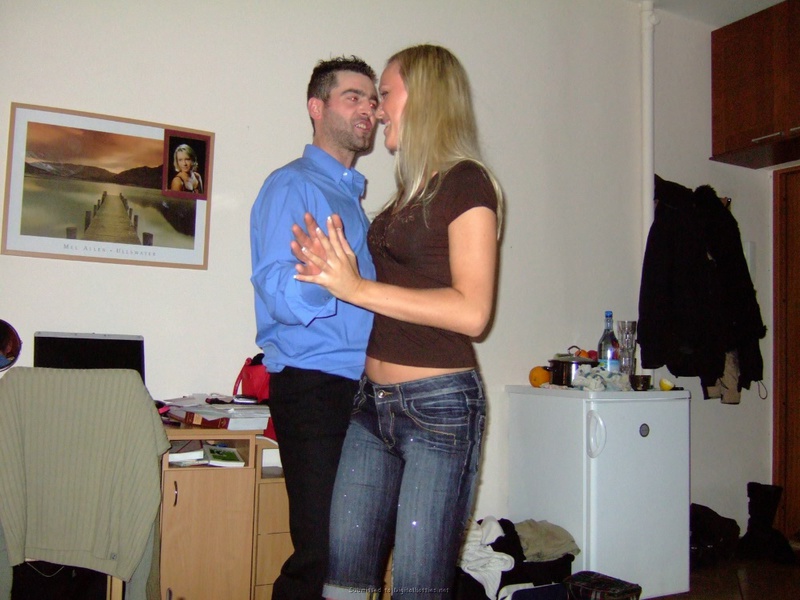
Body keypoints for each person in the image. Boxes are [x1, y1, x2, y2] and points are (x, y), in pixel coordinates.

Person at [292, 44, 504, 600]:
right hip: (372, 405)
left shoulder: (467, 182)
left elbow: (473, 312)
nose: (379, 109)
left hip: (438, 408)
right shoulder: (410, 192)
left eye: (386, 94)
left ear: (425, 96)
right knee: (343, 577)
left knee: (416, 586)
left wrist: (356, 287)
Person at [249, 55, 378, 599]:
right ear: (316, 107)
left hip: (361, 389)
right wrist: (326, 278)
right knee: (321, 553)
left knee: (354, 551)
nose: (368, 110)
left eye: (373, 100)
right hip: (314, 386)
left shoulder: (350, 199)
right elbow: (276, 291)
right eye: (353, 97)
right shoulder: (292, 186)